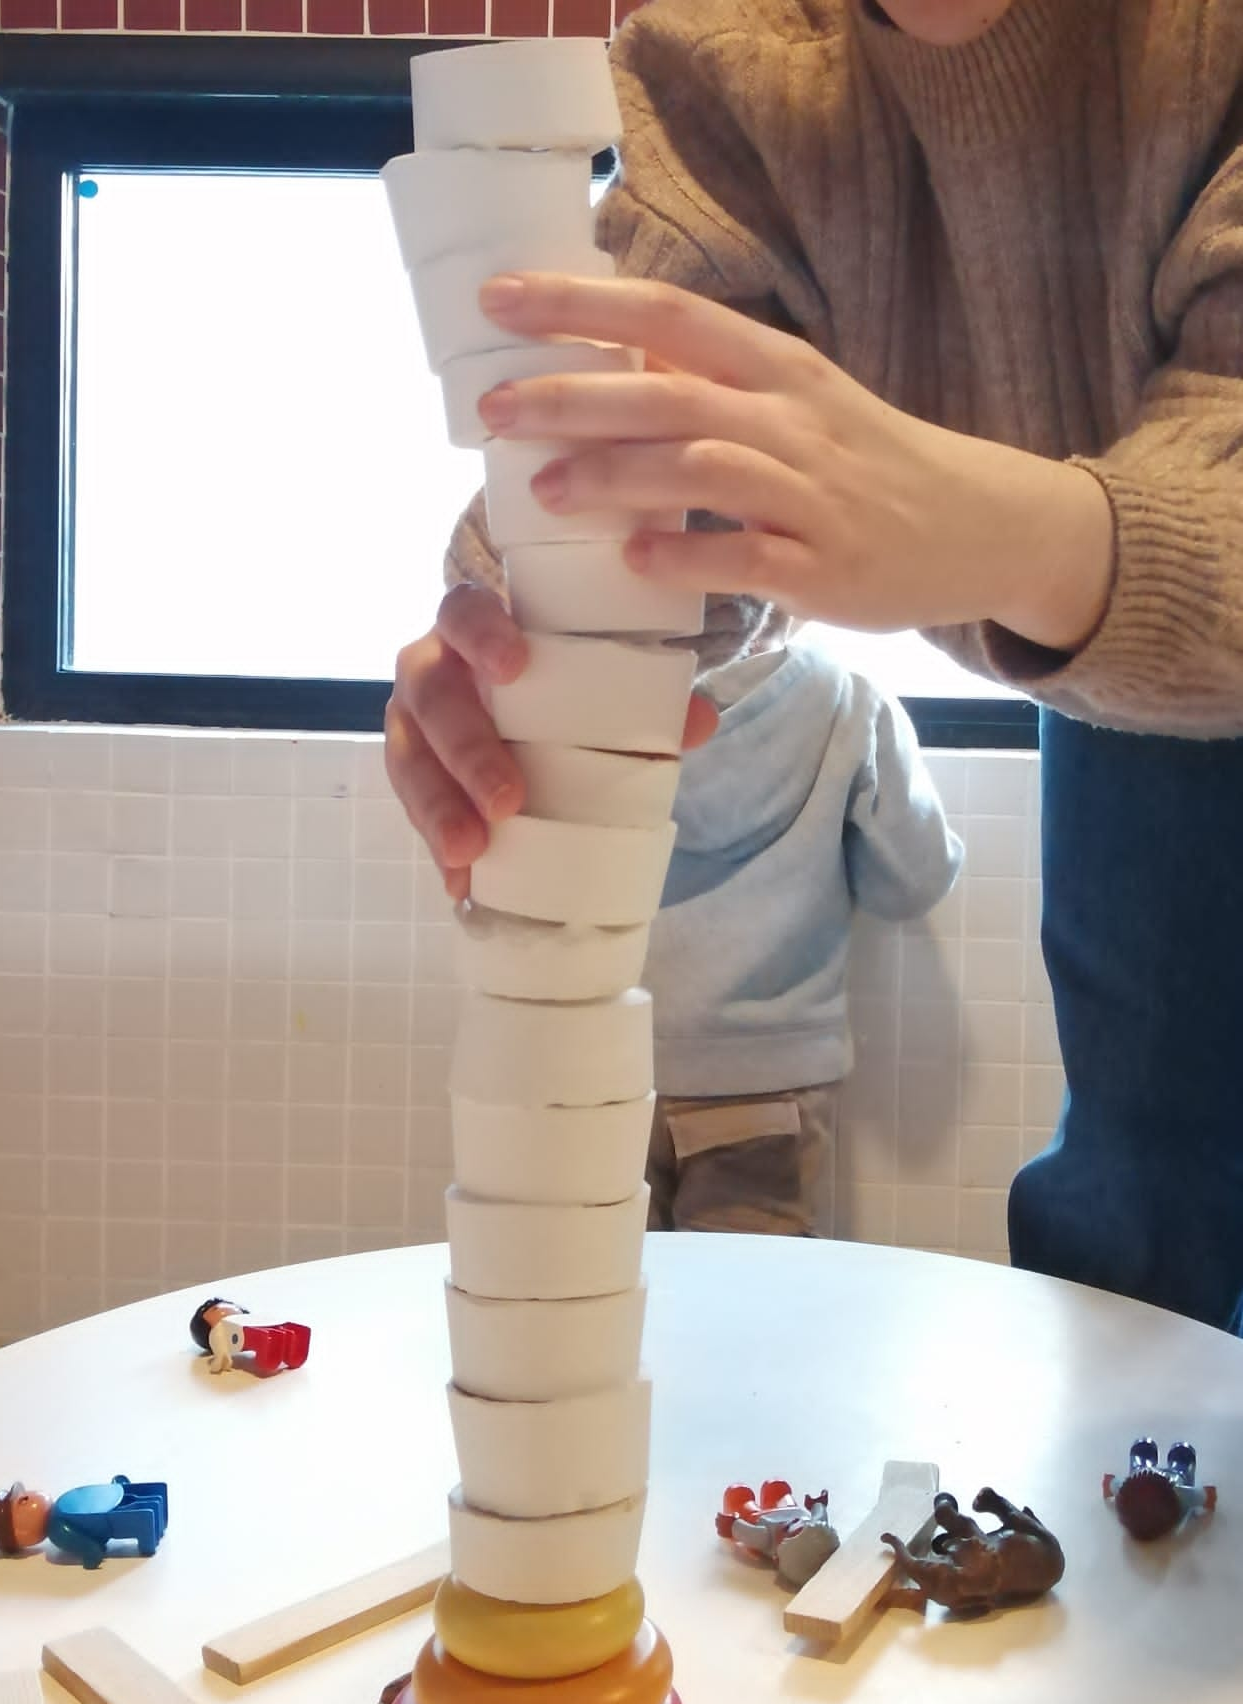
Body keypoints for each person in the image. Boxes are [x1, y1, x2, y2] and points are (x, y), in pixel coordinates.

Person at [388, 0, 1243, 1330]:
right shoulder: (730, 68)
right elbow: (636, 463)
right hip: (1117, 668)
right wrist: (525, 627)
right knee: (1143, 1232)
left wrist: (1008, 532)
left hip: (1129, 628)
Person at [641, 638, 961, 1233]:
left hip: (604, 1074)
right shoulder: (844, 700)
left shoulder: (598, 699)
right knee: (754, 1316)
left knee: (604, 1308)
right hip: (768, 1086)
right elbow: (914, 880)